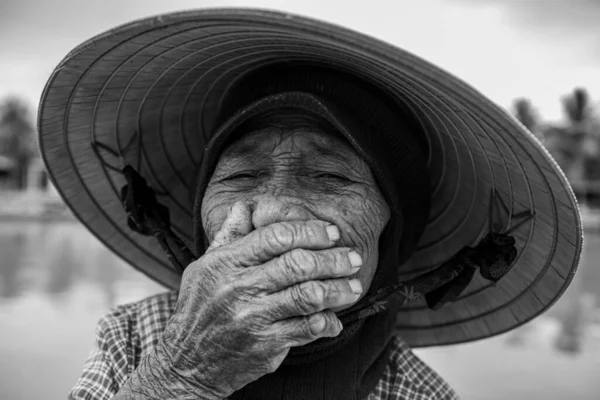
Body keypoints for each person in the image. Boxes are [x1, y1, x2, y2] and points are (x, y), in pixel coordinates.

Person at [37, 8, 582, 400]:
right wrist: (184, 377)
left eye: (328, 176)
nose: (272, 211)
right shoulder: (138, 339)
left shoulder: (417, 394)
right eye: (242, 174)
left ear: (390, 235)